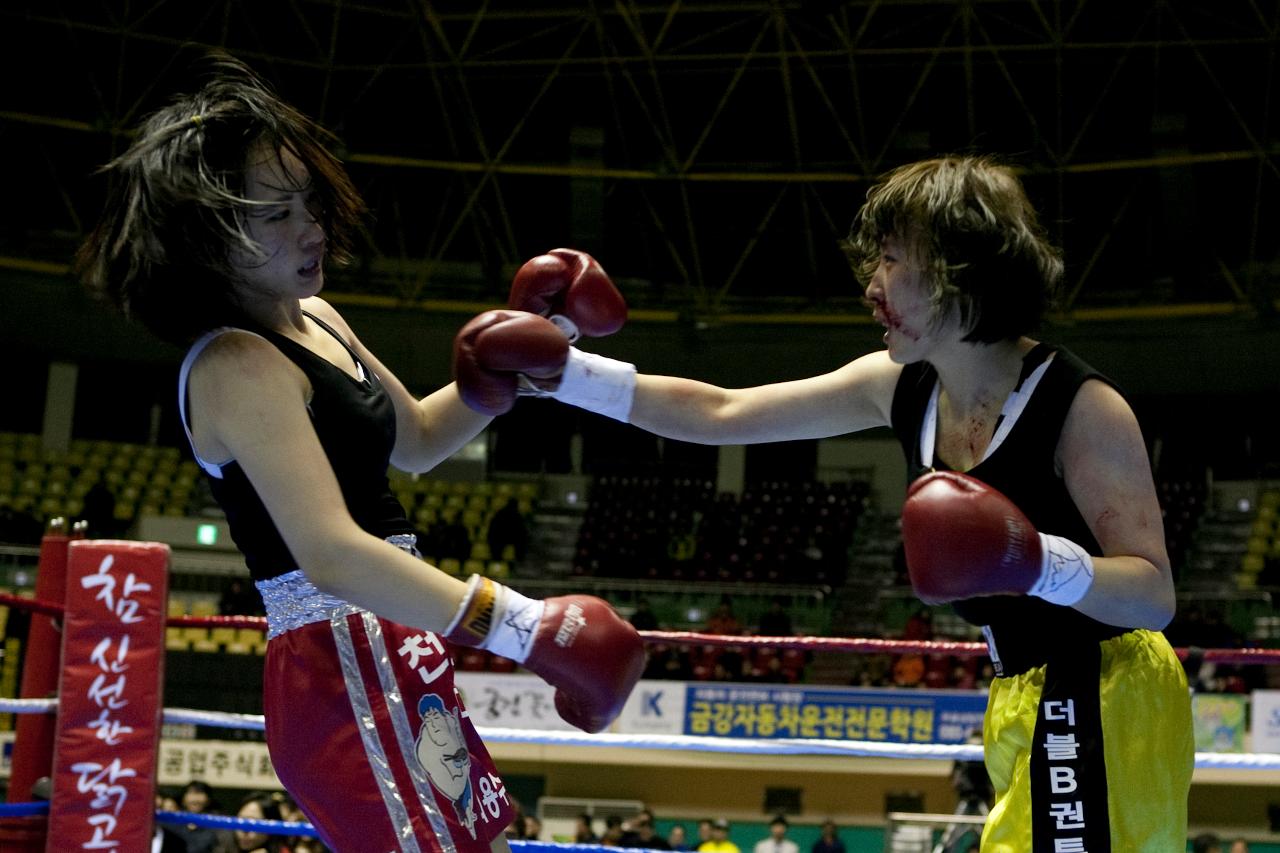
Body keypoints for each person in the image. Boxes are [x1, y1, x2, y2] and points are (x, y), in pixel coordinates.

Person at [455, 156, 1194, 851]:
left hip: (1106, 686)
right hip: (1016, 689)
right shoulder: (902, 384)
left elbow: (1154, 592)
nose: (872, 284)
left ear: (955, 269)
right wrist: (567, 371)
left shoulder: (1080, 406)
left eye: (892, 260)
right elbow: (722, 412)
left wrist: (1035, 561)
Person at [76, 51, 645, 853]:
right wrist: (523, 626)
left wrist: (535, 348)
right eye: (276, 214)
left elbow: (416, 440)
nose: (311, 228)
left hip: (397, 643)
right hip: (333, 659)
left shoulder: (320, 318)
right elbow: (333, 553)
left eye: (307, 202)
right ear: (206, 235)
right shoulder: (233, 365)